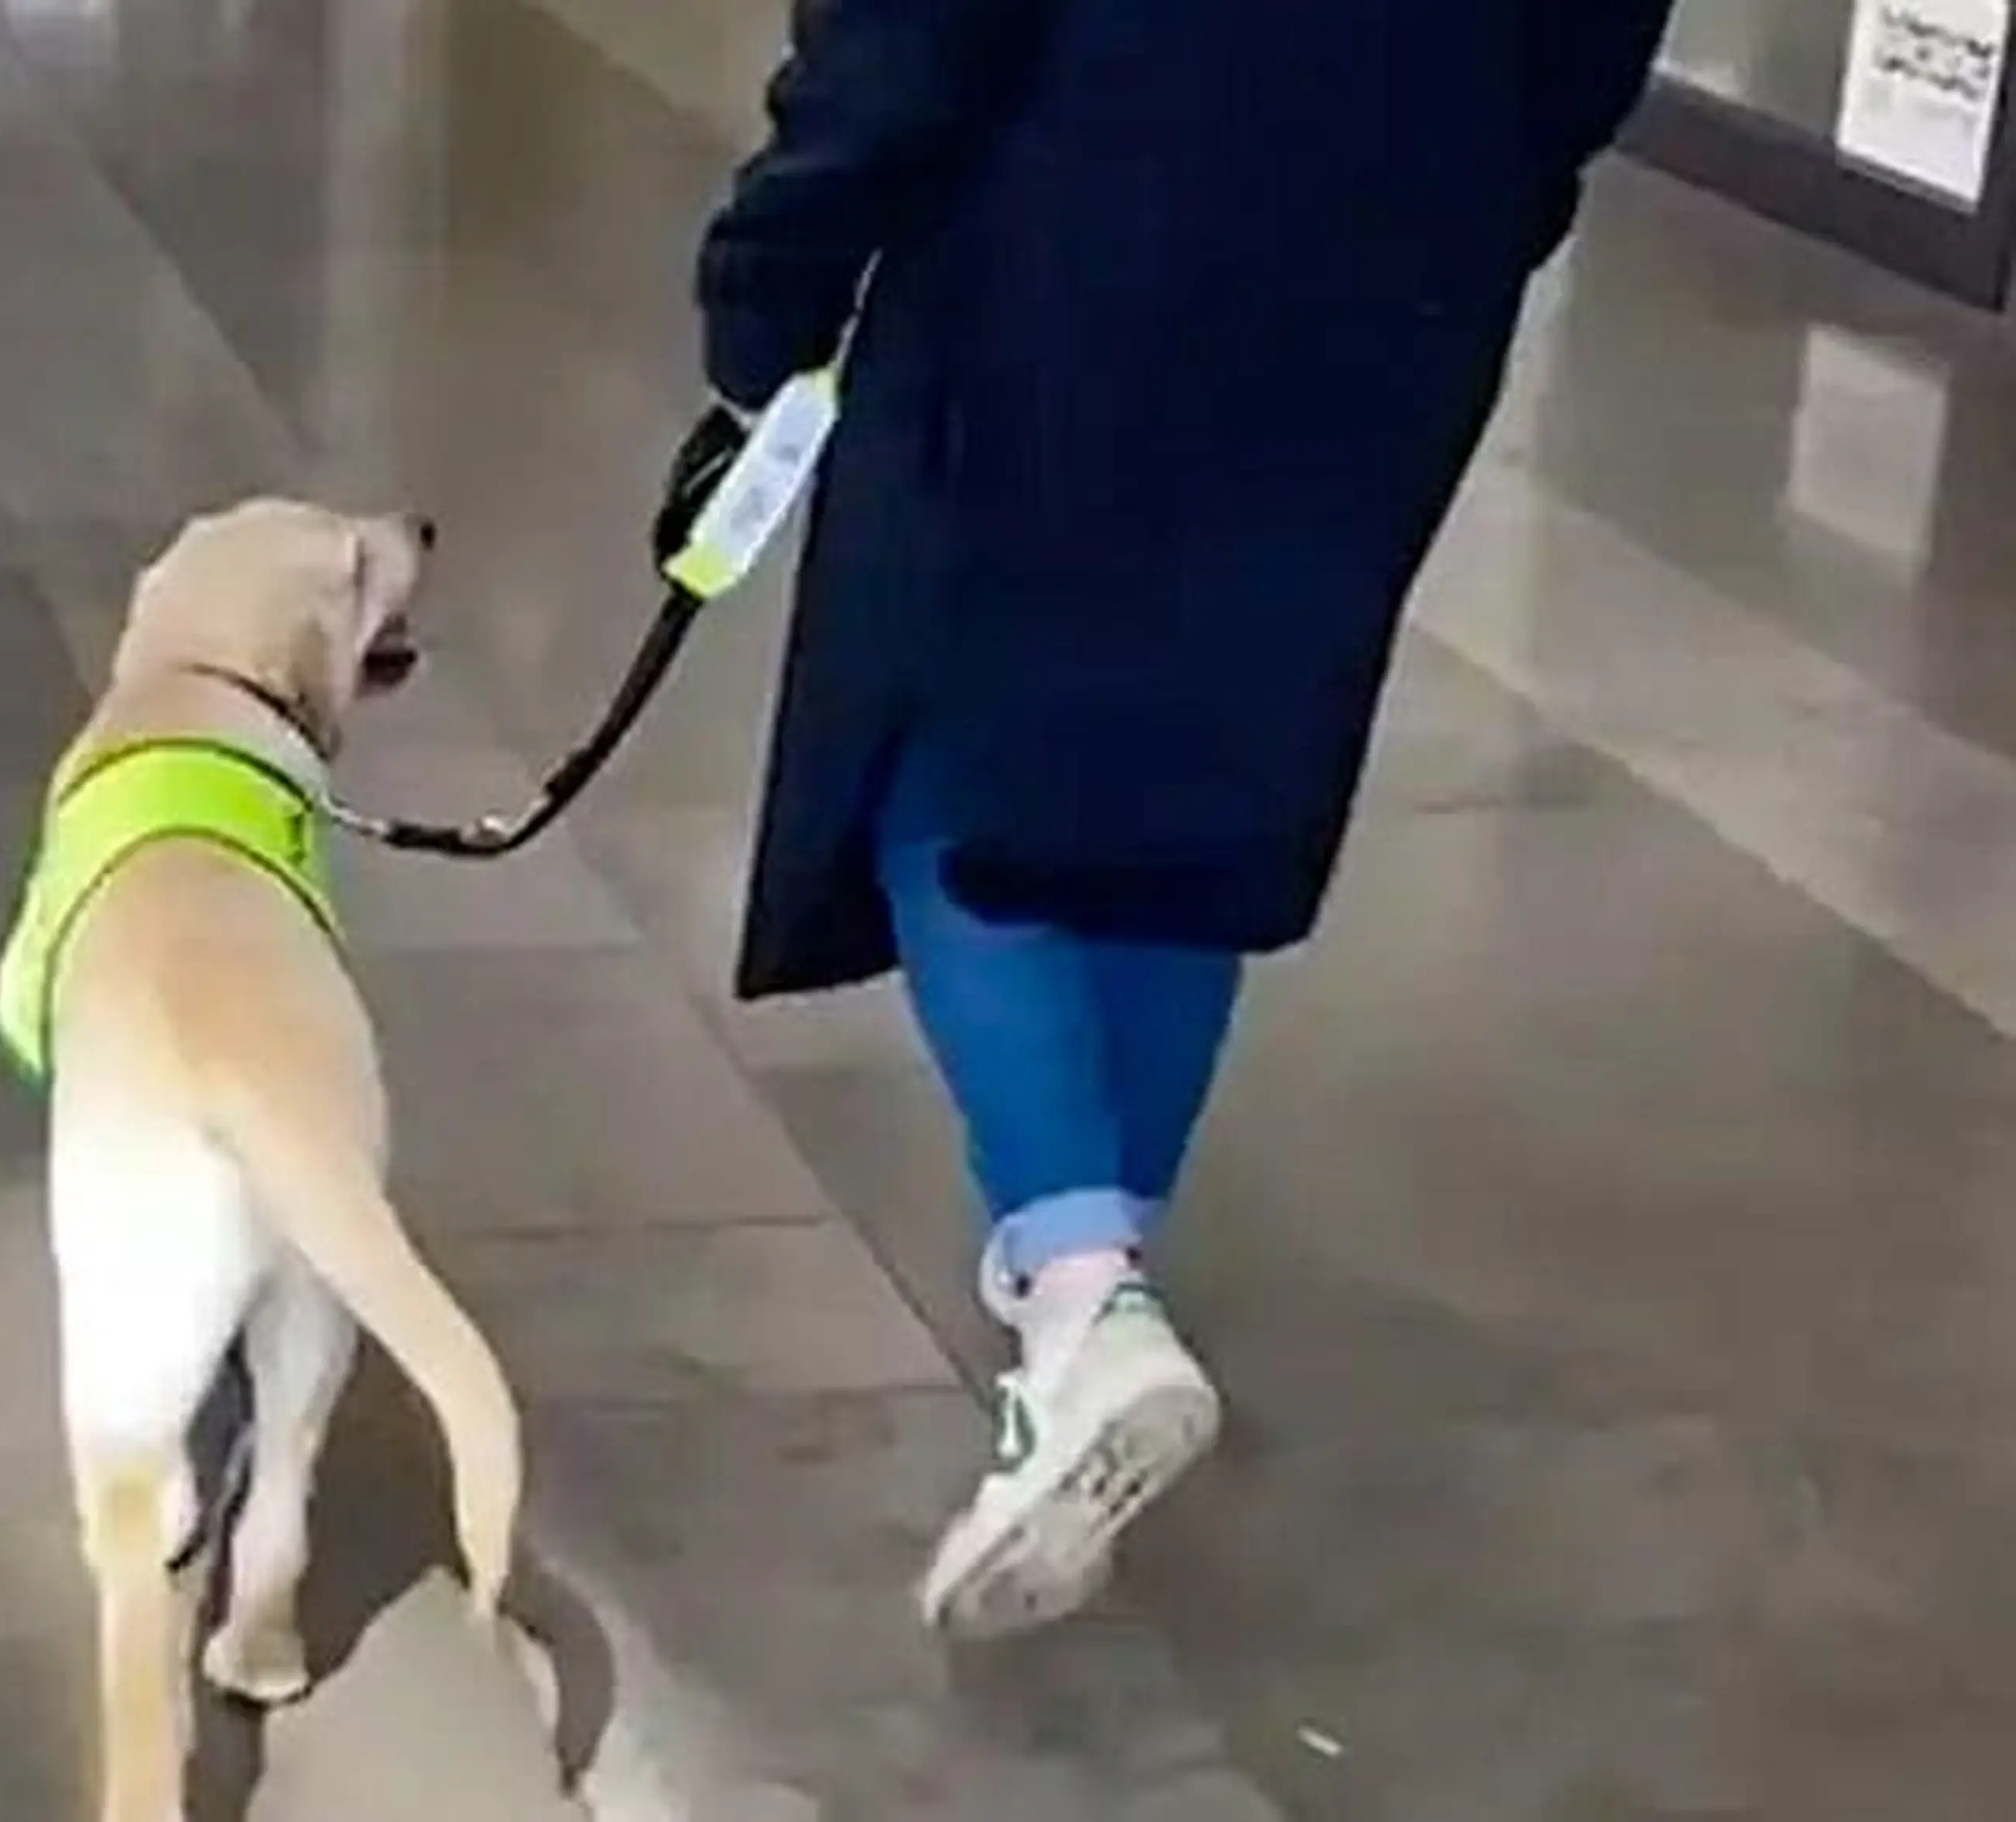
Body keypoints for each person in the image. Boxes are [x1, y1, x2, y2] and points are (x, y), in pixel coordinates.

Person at [663, 0, 1680, 1635]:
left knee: (948, 754)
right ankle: (1090, 1327)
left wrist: (777, 262)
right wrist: (1487, 180)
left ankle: (1081, 1305)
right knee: (1207, 771)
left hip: (1077, 225)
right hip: (1399, 253)